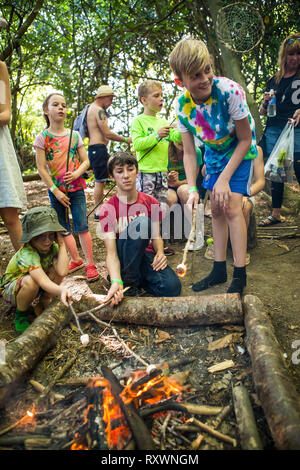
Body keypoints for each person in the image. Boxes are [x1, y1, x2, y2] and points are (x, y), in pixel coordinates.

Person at [169, 37, 258, 296]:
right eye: (196, 75)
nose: (205, 78)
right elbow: (188, 151)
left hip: (240, 152)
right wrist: (193, 187)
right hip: (214, 154)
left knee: (231, 206)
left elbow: (245, 139)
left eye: (207, 69)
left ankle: (239, 274)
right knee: (216, 210)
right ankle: (219, 269)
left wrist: (223, 179)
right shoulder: (182, 107)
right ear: (181, 81)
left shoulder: (230, 91)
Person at [97, 152, 181, 306]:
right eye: (119, 171)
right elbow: (111, 252)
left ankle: (137, 280)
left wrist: (160, 253)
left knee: (172, 288)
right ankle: (128, 282)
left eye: (130, 169)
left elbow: (156, 236)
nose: (126, 175)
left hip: (144, 255)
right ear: (112, 176)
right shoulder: (108, 209)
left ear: (137, 172)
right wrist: (115, 279)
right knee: (142, 223)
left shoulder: (151, 202)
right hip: (123, 258)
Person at [35, 92, 99, 282]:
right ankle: (76, 259)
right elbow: (40, 168)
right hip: (56, 192)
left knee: (82, 225)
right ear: (46, 110)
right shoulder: (43, 137)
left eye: (63, 104)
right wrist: (55, 190)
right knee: (63, 228)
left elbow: (86, 161)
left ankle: (90, 264)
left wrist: (78, 173)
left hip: (76, 188)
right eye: (56, 105)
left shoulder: (75, 135)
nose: (61, 107)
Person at [0, 206, 72, 333]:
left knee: (55, 267)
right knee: (31, 281)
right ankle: (21, 316)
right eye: (41, 236)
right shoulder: (28, 253)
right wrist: (61, 290)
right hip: (12, 291)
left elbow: (62, 271)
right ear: (31, 236)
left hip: (35, 286)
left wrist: (61, 244)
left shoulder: (52, 246)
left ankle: (43, 302)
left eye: (51, 235)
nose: (47, 240)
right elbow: (41, 280)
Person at [258, 32, 300, 227]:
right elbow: (262, 112)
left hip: (295, 129)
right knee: (277, 170)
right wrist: (265, 102)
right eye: (291, 54)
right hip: (275, 130)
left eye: (298, 54)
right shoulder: (273, 80)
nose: (295, 58)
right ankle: (275, 214)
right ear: (284, 56)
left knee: (298, 166)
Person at [205, 146, 265, 264]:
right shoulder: (219, 145)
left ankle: (238, 251)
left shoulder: (256, 150)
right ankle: (218, 247)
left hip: (246, 192)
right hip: (221, 190)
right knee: (217, 207)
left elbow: (260, 181)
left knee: (244, 206)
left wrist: (244, 195)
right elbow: (204, 172)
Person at [0, 18, 27, 251]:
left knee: (10, 216)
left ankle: (27, 274)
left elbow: (5, 113)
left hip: (0, 149)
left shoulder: (0, 68)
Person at [86, 85, 132, 220]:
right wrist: (126, 139)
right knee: (100, 180)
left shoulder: (91, 109)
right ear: (103, 97)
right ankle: (98, 210)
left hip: (97, 149)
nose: (111, 103)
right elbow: (107, 132)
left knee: (103, 178)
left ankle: (103, 208)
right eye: (110, 99)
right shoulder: (98, 110)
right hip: (97, 149)